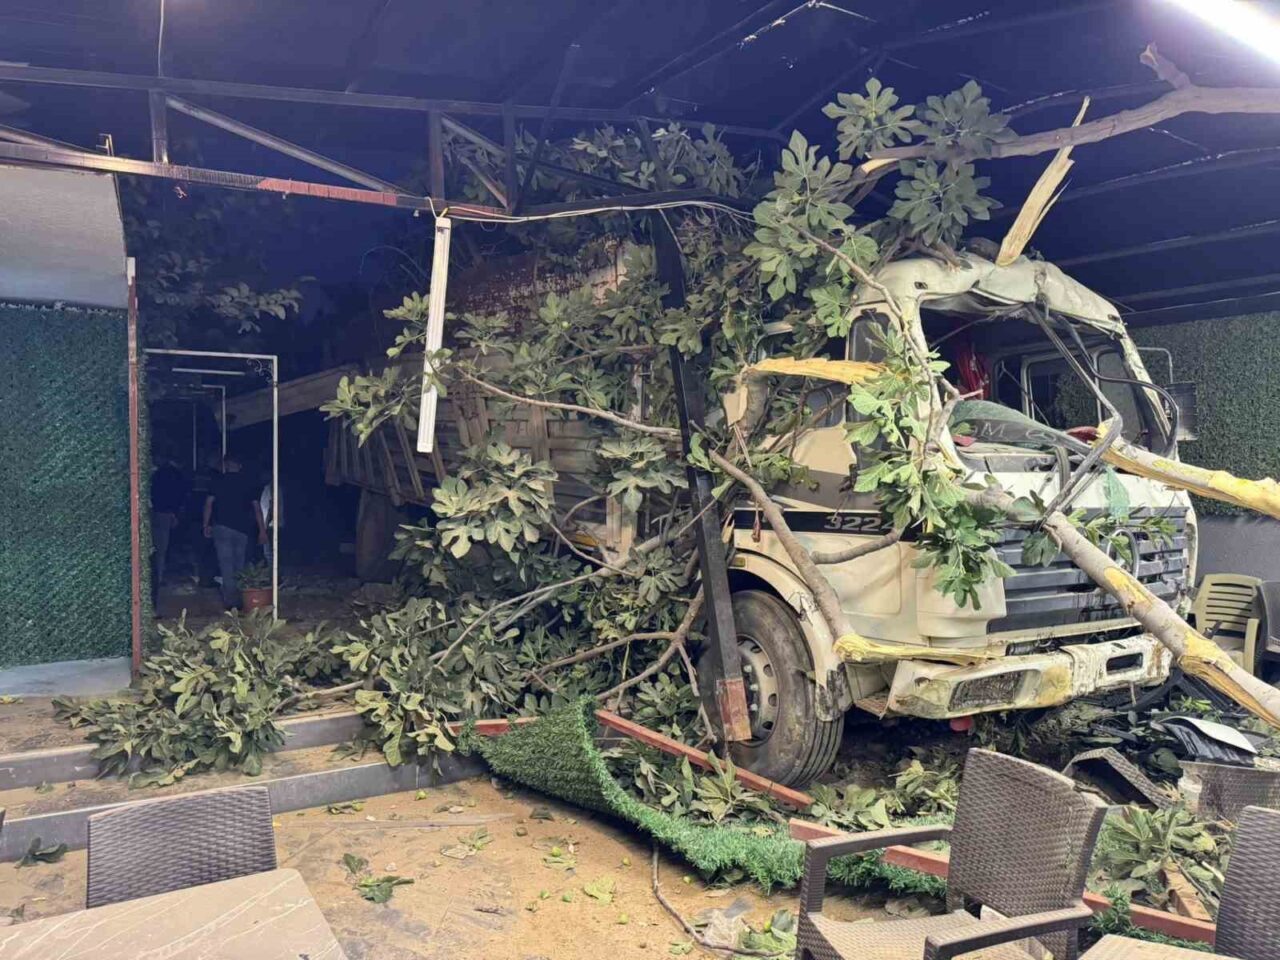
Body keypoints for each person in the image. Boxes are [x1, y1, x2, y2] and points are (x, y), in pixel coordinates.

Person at [203, 454, 267, 610]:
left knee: (226, 564)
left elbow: (208, 504)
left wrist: (206, 524)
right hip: (243, 529)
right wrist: (262, 530)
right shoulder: (249, 482)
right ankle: (241, 599)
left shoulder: (217, 481)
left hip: (222, 527)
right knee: (240, 565)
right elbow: (256, 508)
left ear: (226, 465)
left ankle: (231, 601)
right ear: (239, 466)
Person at [150, 453, 187, 607]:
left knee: (156, 549)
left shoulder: (156, 474)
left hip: (155, 512)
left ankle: (156, 579)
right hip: (165, 513)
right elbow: (176, 495)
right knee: (161, 549)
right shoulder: (174, 475)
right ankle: (158, 579)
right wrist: (175, 513)